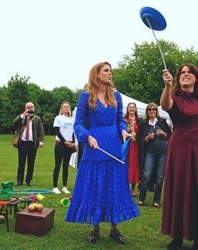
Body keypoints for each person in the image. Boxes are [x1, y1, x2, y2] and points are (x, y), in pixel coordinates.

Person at [65, 62, 139, 244]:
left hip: (113, 144)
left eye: (110, 71)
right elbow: (78, 124)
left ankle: (115, 229)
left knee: (113, 185)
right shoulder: (86, 96)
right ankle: (95, 228)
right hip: (94, 146)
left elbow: (119, 121)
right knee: (96, 185)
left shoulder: (117, 96)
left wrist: (123, 130)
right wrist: (87, 137)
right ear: (96, 74)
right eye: (106, 70)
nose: (110, 73)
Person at [161, 64, 198, 250]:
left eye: (189, 72)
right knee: (180, 189)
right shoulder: (174, 97)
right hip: (181, 149)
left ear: (195, 77)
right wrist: (167, 86)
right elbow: (165, 105)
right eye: (182, 72)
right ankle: (177, 238)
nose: (185, 74)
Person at [138, 103, 171, 208]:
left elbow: (170, 136)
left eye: (153, 109)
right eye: (149, 109)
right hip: (150, 153)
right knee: (146, 175)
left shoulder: (162, 122)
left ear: (156, 111)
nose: (151, 111)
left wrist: (164, 134)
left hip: (162, 152)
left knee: (160, 177)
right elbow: (140, 140)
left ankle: (156, 200)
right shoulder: (144, 124)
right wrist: (147, 138)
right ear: (147, 112)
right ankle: (141, 198)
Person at [12, 102, 44, 187]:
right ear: (25, 108)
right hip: (22, 143)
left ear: (34, 108)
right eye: (28, 107)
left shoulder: (37, 119)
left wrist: (41, 141)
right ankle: (19, 181)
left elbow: (41, 131)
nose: (30, 108)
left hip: (32, 144)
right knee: (21, 162)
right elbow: (14, 123)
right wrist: (22, 116)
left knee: (31, 163)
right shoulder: (21, 117)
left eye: (31, 107)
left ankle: (28, 180)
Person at [52, 101, 76, 194]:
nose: (66, 108)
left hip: (69, 145)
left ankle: (64, 186)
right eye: (64, 107)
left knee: (65, 166)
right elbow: (57, 131)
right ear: (62, 108)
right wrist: (64, 141)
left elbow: (73, 132)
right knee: (57, 165)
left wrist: (73, 143)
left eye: (68, 106)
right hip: (60, 144)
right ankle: (55, 186)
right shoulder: (58, 118)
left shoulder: (72, 119)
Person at [124, 102, 142, 197]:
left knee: (134, 166)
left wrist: (135, 136)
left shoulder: (139, 121)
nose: (131, 108)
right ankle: (125, 187)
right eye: (130, 107)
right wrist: (128, 131)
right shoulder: (124, 120)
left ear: (135, 109)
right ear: (127, 109)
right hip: (126, 144)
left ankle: (133, 189)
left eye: (133, 107)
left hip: (135, 145)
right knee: (126, 165)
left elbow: (141, 133)